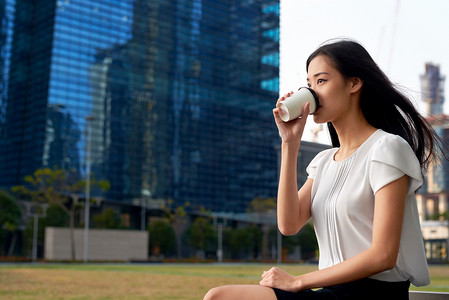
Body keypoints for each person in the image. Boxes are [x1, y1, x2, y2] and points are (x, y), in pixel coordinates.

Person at [203, 38, 444, 300]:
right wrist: (289, 143)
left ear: (354, 83)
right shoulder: (324, 161)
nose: (313, 93)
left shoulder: (387, 148)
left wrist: (298, 281)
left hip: (374, 294)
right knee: (218, 296)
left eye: (321, 81)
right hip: (331, 292)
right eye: (308, 84)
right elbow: (288, 224)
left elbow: (383, 255)